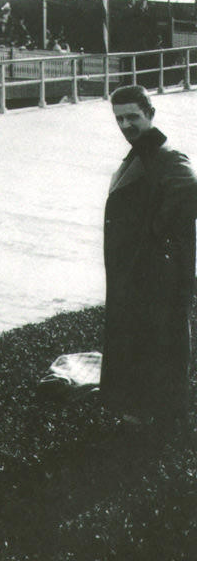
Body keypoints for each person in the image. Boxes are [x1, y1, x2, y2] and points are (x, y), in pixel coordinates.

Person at [102, 85, 197, 435]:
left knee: (160, 339)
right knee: (138, 337)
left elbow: (190, 191)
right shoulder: (140, 154)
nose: (126, 124)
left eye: (133, 117)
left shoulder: (168, 155)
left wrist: (155, 234)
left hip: (158, 270)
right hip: (136, 268)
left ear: (150, 114)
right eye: (119, 118)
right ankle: (141, 410)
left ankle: (159, 415)